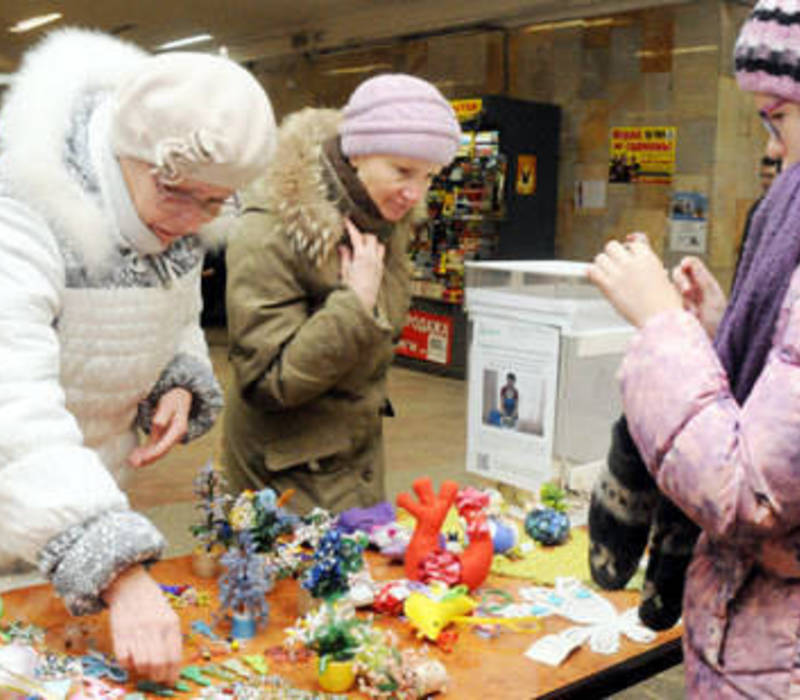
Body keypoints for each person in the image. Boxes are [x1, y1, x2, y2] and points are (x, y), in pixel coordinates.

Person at [0, 28, 275, 683]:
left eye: (214, 204)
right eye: (178, 195)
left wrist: (177, 380)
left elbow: (173, 314)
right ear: (122, 152)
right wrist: (118, 570)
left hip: (71, 513)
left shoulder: (170, 210)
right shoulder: (22, 211)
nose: (192, 220)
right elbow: (13, 402)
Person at [587, 2, 800, 694]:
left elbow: (751, 495)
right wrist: (718, 331)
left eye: (780, 115)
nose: (774, 149)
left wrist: (663, 331)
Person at [223, 73, 460, 514]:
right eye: (403, 171)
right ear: (357, 154)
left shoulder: (383, 223)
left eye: (430, 176)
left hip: (356, 467)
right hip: (286, 483)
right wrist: (353, 307)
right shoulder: (272, 229)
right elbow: (266, 382)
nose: (415, 192)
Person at [735, 154, 781, 273]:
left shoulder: (790, 210)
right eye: (763, 176)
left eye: (770, 176)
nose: (765, 182)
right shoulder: (757, 208)